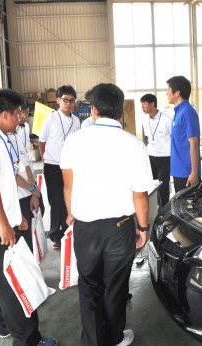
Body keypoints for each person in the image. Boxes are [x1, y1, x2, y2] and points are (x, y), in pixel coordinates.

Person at [61, 83, 154, 346]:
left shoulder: (74, 140)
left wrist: (70, 213)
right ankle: (114, 338)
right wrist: (143, 228)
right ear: (120, 110)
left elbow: (69, 184)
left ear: (94, 109)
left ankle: (91, 341)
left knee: (89, 286)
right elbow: (140, 195)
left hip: (86, 227)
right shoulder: (135, 144)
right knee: (115, 287)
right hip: (120, 228)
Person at [0, 89, 56, 346]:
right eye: (18, 114)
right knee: (13, 285)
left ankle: (5, 327)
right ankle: (27, 340)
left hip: (0, 222)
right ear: (5, 113)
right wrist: (5, 225)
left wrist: (17, 217)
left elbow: (6, 180)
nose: (21, 119)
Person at [38, 85, 80, 249]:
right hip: (53, 165)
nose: (68, 103)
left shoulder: (76, 120)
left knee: (69, 198)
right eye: (65, 100)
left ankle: (67, 230)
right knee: (55, 201)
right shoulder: (50, 118)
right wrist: (45, 160)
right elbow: (42, 142)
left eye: (71, 100)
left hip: (69, 166)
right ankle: (55, 235)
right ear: (58, 100)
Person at [7, 98, 44, 249]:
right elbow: (12, 175)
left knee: (28, 239)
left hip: (25, 194)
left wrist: (33, 191)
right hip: (13, 198)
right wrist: (32, 189)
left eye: (25, 113)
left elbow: (26, 163)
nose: (22, 116)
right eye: (18, 113)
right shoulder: (2, 139)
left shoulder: (20, 131)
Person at [166, 76, 201, 193]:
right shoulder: (179, 112)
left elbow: (194, 144)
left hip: (187, 173)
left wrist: (194, 173)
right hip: (179, 171)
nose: (167, 93)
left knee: (189, 209)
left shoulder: (187, 112)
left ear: (177, 93)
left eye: (168, 90)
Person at [140, 93, 172, 208]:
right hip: (150, 156)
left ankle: (164, 209)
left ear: (152, 104)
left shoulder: (167, 119)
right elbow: (146, 138)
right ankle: (153, 208)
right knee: (150, 184)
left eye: (144, 104)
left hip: (164, 157)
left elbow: (174, 138)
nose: (142, 107)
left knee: (163, 185)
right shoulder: (144, 120)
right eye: (141, 104)